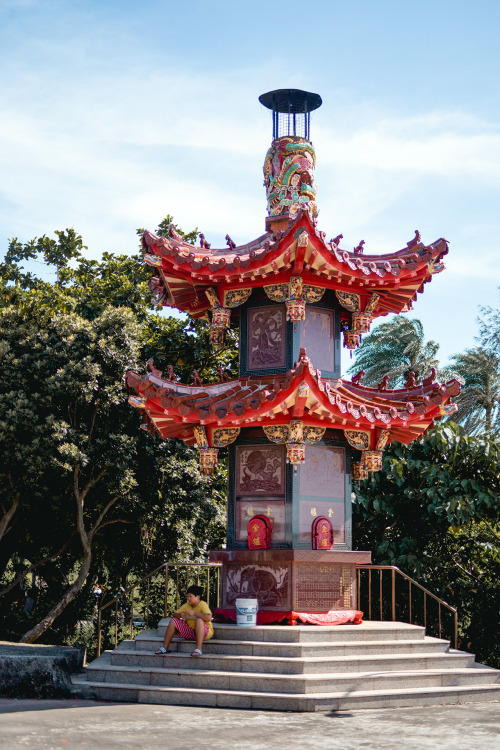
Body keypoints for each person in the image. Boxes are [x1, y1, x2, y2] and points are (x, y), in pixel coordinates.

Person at [155, 584, 213, 657]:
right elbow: (174, 614)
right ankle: (165, 647)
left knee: (199, 620)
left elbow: (209, 618)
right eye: (188, 596)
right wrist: (180, 615)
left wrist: (195, 613)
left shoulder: (203, 604)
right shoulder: (187, 605)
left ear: (198, 597)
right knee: (173, 620)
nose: (188, 598)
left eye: (190, 596)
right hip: (190, 632)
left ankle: (198, 649)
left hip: (205, 633)